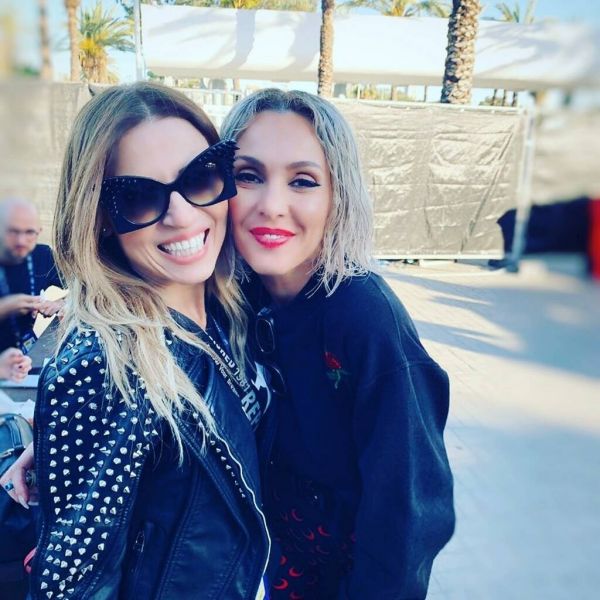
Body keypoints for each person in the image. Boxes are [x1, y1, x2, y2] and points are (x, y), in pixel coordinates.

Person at [1, 82, 271, 599]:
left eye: (200, 176)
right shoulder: (103, 367)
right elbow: (71, 585)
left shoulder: (230, 307)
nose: (182, 214)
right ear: (100, 218)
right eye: (139, 196)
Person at [221, 89, 455, 599]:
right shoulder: (231, 298)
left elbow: (410, 508)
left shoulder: (365, 318)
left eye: (303, 181)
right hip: (278, 569)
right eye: (248, 175)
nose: (271, 206)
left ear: (338, 196)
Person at [0, 198, 65, 353]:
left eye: (29, 232)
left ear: (38, 232)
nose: (21, 241)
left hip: (26, 351)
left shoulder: (42, 255)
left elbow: (85, 286)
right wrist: (7, 307)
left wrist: (62, 303)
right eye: (13, 232)